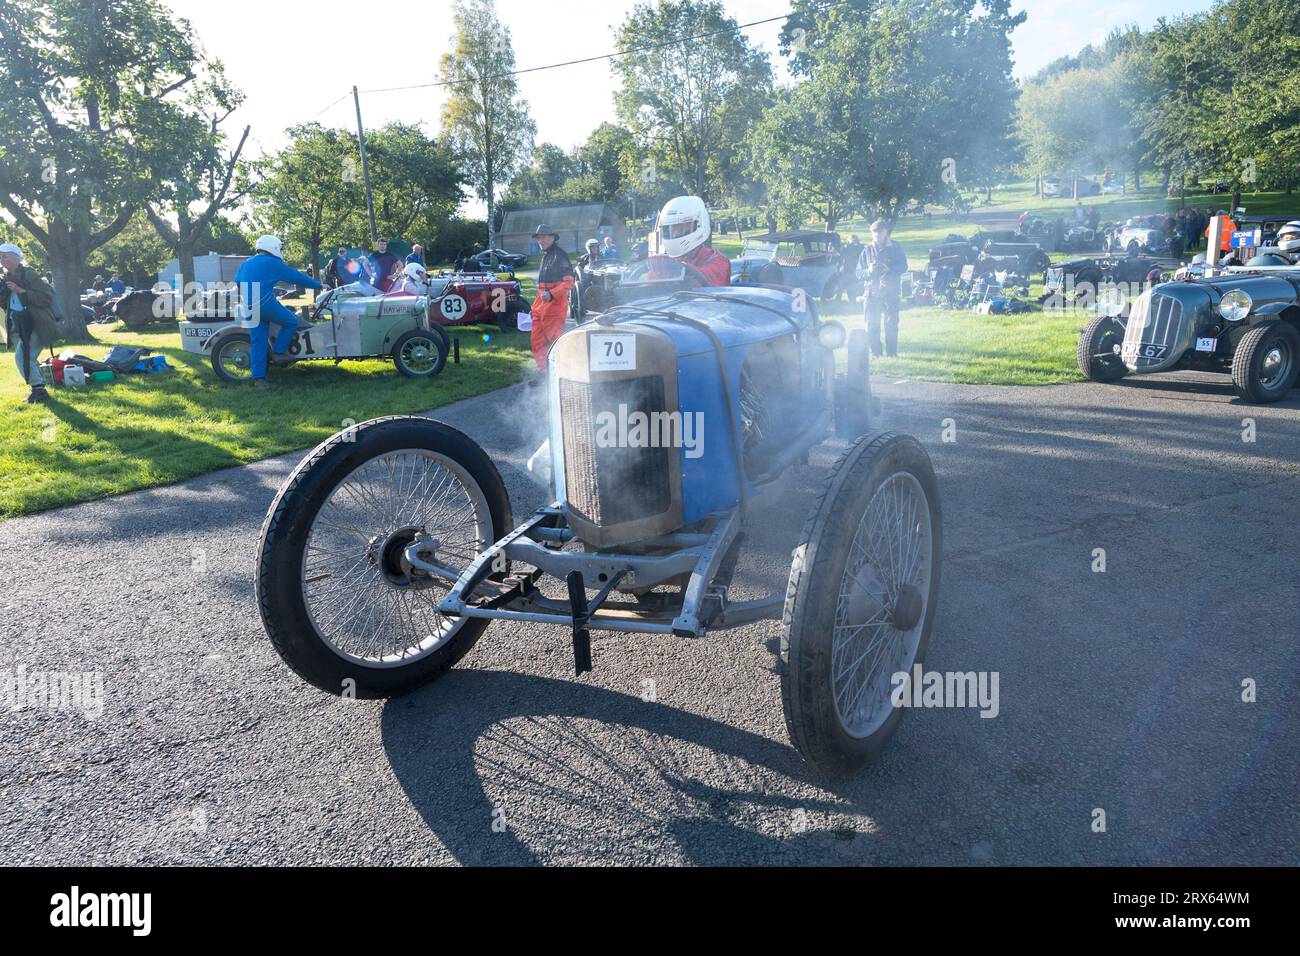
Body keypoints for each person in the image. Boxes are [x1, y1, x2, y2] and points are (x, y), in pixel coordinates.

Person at [234, 235, 322, 386]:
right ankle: (279, 353)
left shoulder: (247, 262)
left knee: (258, 341)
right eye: (280, 248)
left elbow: (238, 281)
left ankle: (259, 379)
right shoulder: (273, 262)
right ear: (273, 247)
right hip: (264, 303)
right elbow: (294, 276)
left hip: (248, 306)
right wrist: (317, 284)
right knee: (291, 321)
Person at [1, 243, 58, 403]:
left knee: (22, 357)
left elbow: (46, 297)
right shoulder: (6, 277)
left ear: (15, 257)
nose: (1, 259)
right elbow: (8, 304)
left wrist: (21, 291)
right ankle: (40, 387)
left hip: (36, 323)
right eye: (0, 256)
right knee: (27, 357)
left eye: (4, 256)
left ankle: (39, 391)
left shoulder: (29, 274)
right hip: (19, 324)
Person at [648, 195, 730, 286]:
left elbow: (696, 284)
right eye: (671, 230)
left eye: (681, 229)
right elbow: (646, 289)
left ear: (700, 224)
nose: (674, 234)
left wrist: (670, 267)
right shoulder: (666, 264)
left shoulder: (719, 262)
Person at [857, 218, 909, 358]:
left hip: (890, 291)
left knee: (891, 323)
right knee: (871, 324)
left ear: (885, 232)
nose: (876, 234)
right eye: (873, 232)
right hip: (871, 293)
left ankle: (892, 353)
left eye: (879, 231)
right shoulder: (866, 250)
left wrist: (889, 269)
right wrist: (869, 271)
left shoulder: (896, 247)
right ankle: (876, 353)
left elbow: (904, 266)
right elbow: (858, 273)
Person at [529, 224, 575, 372]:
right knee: (537, 343)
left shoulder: (560, 256)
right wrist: (534, 308)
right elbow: (542, 288)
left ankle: (562, 373)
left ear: (552, 238)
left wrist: (551, 294)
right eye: (538, 238)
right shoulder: (546, 256)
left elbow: (569, 282)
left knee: (555, 344)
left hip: (555, 308)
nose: (540, 240)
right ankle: (545, 374)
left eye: (543, 237)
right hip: (541, 308)